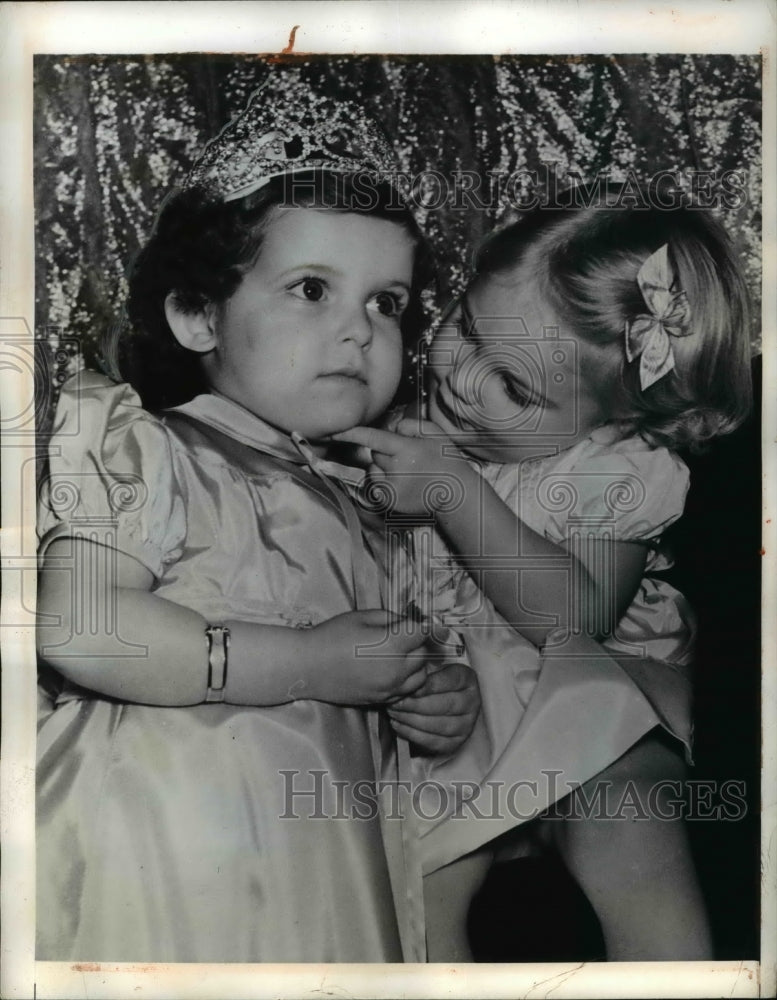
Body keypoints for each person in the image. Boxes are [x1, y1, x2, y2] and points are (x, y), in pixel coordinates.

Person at [35, 83, 481, 963]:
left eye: (385, 303)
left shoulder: (382, 506)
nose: (358, 331)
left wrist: (435, 700)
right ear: (198, 313)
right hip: (162, 841)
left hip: (327, 867)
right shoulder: (147, 448)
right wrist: (310, 660)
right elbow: (78, 626)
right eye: (312, 288)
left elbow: (410, 666)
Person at [337, 200, 752, 960]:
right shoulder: (411, 421)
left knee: (627, 825)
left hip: (594, 692)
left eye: (514, 388)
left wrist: (457, 494)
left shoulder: (615, 467)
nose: (459, 376)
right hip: (458, 698)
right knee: (420, 877)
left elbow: (576, 620)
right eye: (463, 326)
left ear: (614, 417)